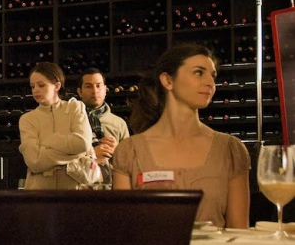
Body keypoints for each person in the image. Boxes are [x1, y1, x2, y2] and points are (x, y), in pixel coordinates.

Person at [113, 44, 250, 229]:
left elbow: (239, 233)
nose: (210, 82)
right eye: (199, 72)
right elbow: (123, 229)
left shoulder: (230, 149)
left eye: (213, 75)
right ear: (167, 81)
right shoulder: (130, 151)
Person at [18, 61, 93, 189]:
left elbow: (82, 144)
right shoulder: (27, 119)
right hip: (39, 197)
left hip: (74, 194)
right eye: (32, 86)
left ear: (57, 86)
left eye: (41, 85)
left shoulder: (75, 108)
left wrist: (48, 142)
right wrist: (75, 155)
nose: (35, 90)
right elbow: (34, 161)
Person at [77, 68, 130, 166]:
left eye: (98, 86)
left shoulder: (119, 123)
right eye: (88, 86)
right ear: (80, 92)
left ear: (105, 90)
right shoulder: (71, 120)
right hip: (81, 180)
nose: (94, 91)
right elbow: (63, 159)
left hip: (113, 180)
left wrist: (118, 152)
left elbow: (130, 163)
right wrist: (90, 153)